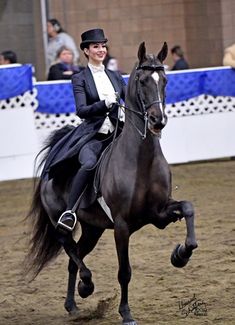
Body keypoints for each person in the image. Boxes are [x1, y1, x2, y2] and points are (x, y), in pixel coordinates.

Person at [41, 28, 126, 231]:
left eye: (103, 46)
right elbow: (82, 110)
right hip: (94, 135)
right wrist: (104, 104)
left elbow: (129, 99)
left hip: (119, 133)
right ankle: (70, 212)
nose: (101, 50)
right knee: (88, 163)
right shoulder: (79, 78)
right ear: (87, 51)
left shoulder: (115, 76)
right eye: (96, 46)